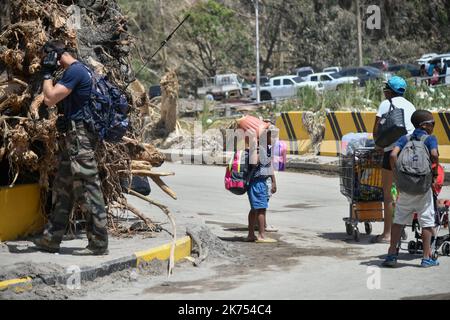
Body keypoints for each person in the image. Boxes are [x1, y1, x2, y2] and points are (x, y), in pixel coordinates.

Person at [33, 40, 109, 255]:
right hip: (75, 136)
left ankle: (99, 243)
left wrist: (47, 75)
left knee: (88, 187)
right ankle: (51, 238)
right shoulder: (81, 68)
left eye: (45, 58)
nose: (44, 63)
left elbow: (49, 99)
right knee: (63, 186)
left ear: (54, 56)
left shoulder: (74, 71)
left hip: (81, 138)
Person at [382, 110, 440, 268]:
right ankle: (426, 258)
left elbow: (393, 155)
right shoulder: (430, 139)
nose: (433, 127)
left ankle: (392, 254)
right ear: (425, 125)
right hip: (422, 187)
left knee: (399, 220)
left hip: (405, 186)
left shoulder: (404, 138)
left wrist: (397, 175)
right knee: (427, 222)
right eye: (432, 123)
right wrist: (434, 173)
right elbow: (434, 155)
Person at [372, 76, 416, 244]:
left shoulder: (385, 104)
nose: (384, 91)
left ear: (389, 91)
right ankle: (400, 228)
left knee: (389, 194)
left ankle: (388, 234)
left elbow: (376, 131)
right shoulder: (410, 105)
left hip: (392, 153)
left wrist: (378, 145)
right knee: (402, 193)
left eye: (386, 88)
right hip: (410, 153)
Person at [246, 128, 277, 243]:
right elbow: (254, 163)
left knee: (255, 209)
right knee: (261, 209)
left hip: (261, 182)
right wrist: (255, 149)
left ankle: (251, 235)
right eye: (270, 137)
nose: (273, 139)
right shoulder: (257, 149)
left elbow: (269, 167)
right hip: (257, 183)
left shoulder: (264, 149)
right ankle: (261, 235)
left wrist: (273, 182)